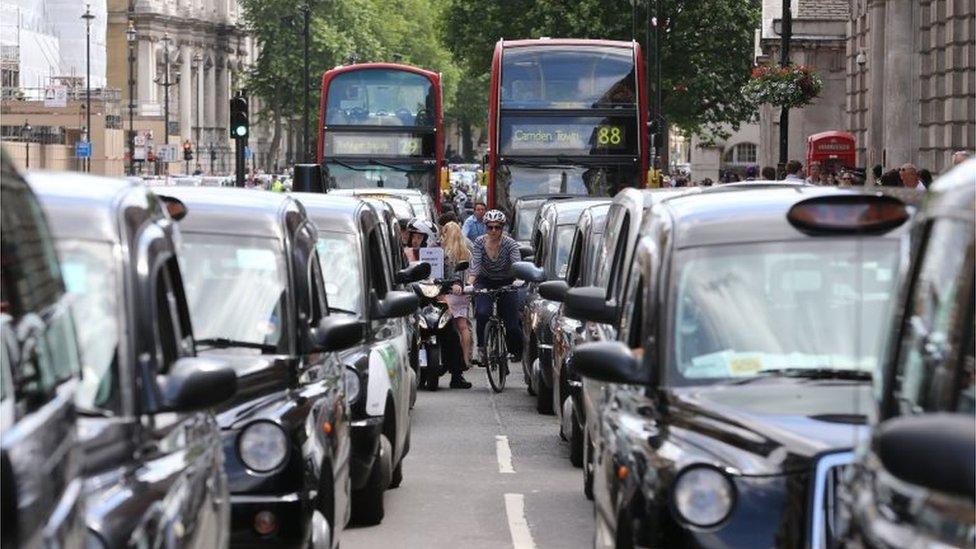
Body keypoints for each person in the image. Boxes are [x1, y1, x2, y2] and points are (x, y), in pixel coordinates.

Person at [406, 218, 472, 389]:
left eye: (419, 237)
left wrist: (456, 283)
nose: (415, 240)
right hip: (413, 302)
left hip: (436, 300)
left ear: (428, 237)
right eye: (413, 236)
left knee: (450, 333)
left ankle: (457, 375)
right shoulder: (404, 254)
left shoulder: (441, 255)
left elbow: (452, 271)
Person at [466, 209, 523, 365]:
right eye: (489, 227)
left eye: (497, 227)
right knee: (482, 313)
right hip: (485, 281)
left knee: (512, 324)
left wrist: (518, 280)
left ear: (502, 228)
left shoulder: (510, 244)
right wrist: (470, 284)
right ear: (485, 227)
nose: (493, 231)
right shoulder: (478, 242)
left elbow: (516, 265)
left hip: (507, 282)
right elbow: (475, 265)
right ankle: (482, 348)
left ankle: (515, 350)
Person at [442, 222, 474, 371]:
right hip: (463, 294)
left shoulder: (445, 252)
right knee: (463, 326)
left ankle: (451, 359)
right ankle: (466, 358)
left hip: (448, 293)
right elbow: (473, 271)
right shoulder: (466, 252)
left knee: (448, 328)